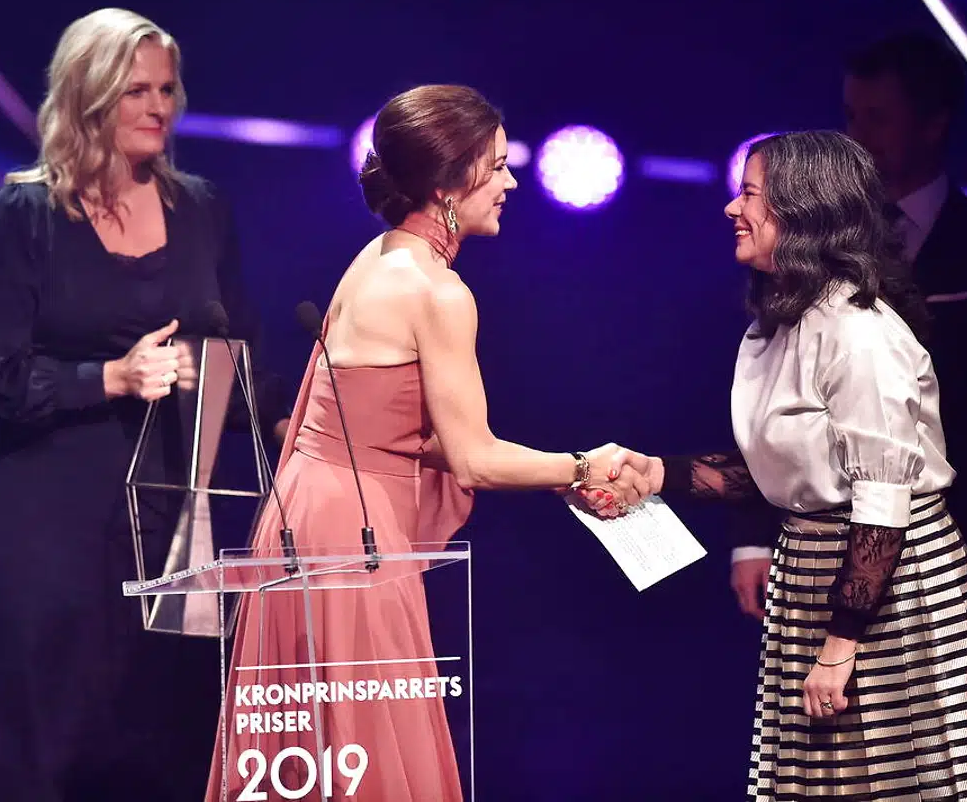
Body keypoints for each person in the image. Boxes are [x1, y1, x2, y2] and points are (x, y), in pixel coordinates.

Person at [206, 84, 656, 801]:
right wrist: (581, 464)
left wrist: (560, 473)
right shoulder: (438, 292)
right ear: (450, 183)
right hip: (353, 539)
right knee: (363, 750)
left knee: (318, 754)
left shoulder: (378, 256)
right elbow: (472, 454)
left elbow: (399, 433)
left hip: (308, 520)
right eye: (499, 167)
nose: (511, 183)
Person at [0, 8, 286, 802]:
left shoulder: (203, 208)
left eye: (167, 89)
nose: (158, 107)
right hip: (48, 532)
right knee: (44, 752)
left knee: (168, 745)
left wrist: (297, 413)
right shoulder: (22, 216)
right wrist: (113, 376)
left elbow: (240, 365)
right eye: (136, 89)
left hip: (174, 526)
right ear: (88, 96)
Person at [665, 131, 967, 798]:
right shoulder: (777, 324)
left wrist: (840, 644)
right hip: (814, 578)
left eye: (749, 195)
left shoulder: (860, 332)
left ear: (803, 211)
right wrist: (655, 475)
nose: (731, 210)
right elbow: (782, 478)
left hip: (894, 595)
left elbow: (882, 502)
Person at [729, 30, 967, 620]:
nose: (860, 136)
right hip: (823, 545)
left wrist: (962, 541)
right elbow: (780, 410)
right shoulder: (816, 243)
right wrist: (755, 533)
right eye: (852, 115)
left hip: (945, 539)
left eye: (879, 118)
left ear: (933, 124)